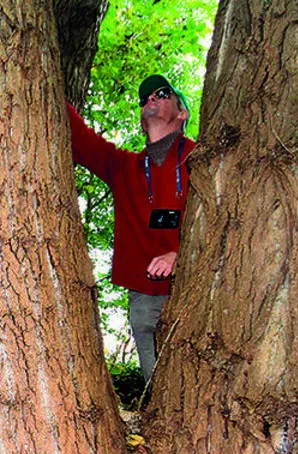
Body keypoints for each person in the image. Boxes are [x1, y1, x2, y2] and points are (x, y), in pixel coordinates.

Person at [67, 74, 195, 380]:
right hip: (145, 296)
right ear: (140, 121)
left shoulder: (203, 161)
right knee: (159, 389)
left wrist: (179, 255)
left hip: (195, 287)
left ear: (182, 113)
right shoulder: (125, 168)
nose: (151, 98)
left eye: (162, 93)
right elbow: (81, 139)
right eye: (145, 98)